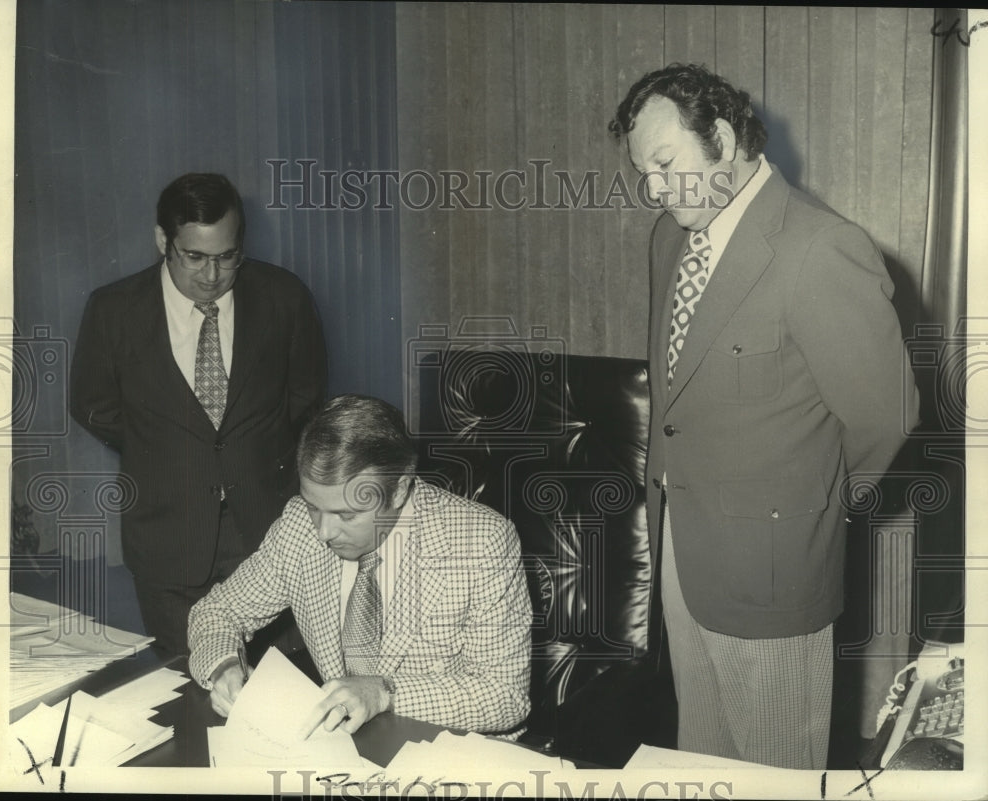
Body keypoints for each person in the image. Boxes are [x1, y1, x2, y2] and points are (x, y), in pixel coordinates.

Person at [609, 64, 920, 769]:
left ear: (720, 137)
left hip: (776, 568)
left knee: (775, 773)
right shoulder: (670, 237)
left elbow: (888, 413)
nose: (654, 189)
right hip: (682, 554)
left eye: (665, 164)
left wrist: (816, 508)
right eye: (643, 173)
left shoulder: (819, 247)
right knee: (705, 761)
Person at [70, 173, 327, 655]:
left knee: (286, 690)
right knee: (188, 692)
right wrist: (167, 446)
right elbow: (93, 405)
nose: (212, 276)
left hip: (267, 533)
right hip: (170, 538)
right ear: (163, 241)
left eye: (227, 257)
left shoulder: (283, 297)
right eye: (195, 257)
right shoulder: (113, 310)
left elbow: (304, 398)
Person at [188, 394, 532, 737]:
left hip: (448, 755)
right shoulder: (299, 528)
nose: (323, 532)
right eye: (313, 506)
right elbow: (217, 612)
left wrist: (383, 692)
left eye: (347, 515)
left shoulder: (480, 541)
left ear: (398, 490)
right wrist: (224, 666)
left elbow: (506, 695)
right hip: (346, 754)